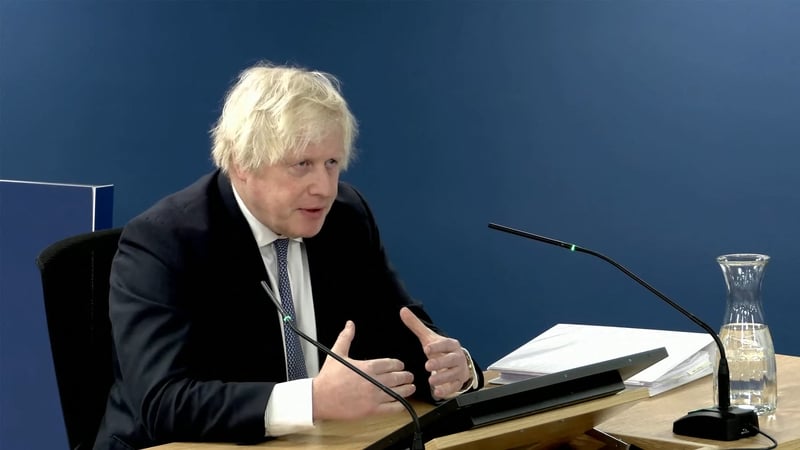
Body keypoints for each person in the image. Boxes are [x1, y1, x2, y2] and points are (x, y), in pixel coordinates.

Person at [93, 61, 483, 450]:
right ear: (242, 164)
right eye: (302, 165)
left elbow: (402, 333)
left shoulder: (346, 217)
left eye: (331, 163)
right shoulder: (164, 241)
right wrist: (312, 400)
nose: (324, 188)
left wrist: (453, 369)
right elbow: (163, 403)